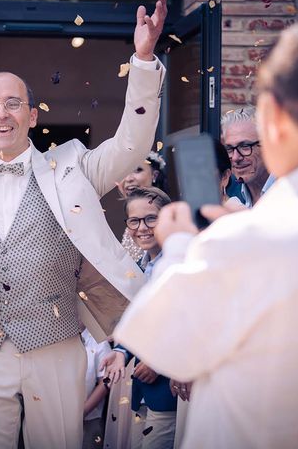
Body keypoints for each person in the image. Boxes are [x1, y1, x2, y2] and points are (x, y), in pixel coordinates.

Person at [114, 16, 298, 448]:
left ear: (276, 124)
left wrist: (179, 247)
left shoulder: (244, 241)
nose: (241, 154)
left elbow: (161, 343)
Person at [0, 0, 168, 448]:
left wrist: (142, 61)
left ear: (32, 114)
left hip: (57, 343)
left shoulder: (74, 167)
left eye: (13, 103)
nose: (2, 113)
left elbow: (131, 144)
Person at [102, 187, 180, 449]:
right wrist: (122, 352)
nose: (142, 227)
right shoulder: (139, 268)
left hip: (172, 390)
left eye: (150, 218)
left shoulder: (180, 264)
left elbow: (186, 323)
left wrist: (157, 361)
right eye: (134, 220)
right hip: (141, 391)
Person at [119, 151, 168, 262]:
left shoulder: (168, 215)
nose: (128, 178)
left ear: (154, 175)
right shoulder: (132, 225)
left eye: (137, 170)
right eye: (123, 172)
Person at [220, 107, 271, 207]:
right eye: (229, 148)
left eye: (245, 146)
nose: (235, 158)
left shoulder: (292, 192)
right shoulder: (230, 196)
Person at [82, 325, 112, 449]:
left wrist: (82, 412)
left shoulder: (98, 340)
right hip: (57, 417)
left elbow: (105, 382)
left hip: (90, 417)